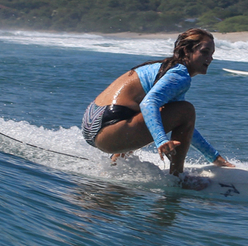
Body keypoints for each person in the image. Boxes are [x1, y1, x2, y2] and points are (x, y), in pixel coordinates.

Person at [81, 28, 233, 175]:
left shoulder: (165, 68)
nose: (210, 59)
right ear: (187, 51)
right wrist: (161, 140)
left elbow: (185, 127)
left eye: (212, 54)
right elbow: (150, 104)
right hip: (109, 131)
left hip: (93, 127)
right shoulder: (179, 75)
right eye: (205, 52)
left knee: (162, 115)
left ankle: (116, 163)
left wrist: (215, 158)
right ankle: (177, 178)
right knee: (185, 110)